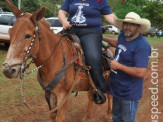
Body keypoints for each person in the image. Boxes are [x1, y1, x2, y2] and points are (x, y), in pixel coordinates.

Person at [58, 0, 115, 104]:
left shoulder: (100, 1)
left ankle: (99, 89)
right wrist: (64, 21)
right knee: (54, 47)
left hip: (90, 32)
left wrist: (123, 24)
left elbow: (109, 16)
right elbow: (61, 12)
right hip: (71, 30)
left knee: (93, 57)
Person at [103, 12, 151, 122]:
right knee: (116, 118)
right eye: (126, 24)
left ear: (138, 27)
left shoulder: (142, 46)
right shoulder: (122, 37)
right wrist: (103, 38)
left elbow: (140, 72)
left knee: (127, 120)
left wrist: (118, 66)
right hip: (117, 89)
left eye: (132, 24)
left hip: (128, 93)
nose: (128, 27)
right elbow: (117, 43)